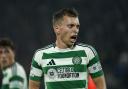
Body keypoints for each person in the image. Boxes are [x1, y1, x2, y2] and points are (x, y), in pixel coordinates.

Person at [29, 8, 106, 89]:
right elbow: (33, 86)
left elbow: (101, 85)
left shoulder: (88, 52)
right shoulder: (40, 55)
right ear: (57, 29)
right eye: (70, 26)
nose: (75, 30)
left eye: (77, 26)